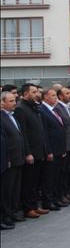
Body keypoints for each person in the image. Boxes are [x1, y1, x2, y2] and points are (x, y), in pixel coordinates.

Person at [14, 83, 50, 219]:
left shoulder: (34, 107)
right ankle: (28, 208)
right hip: (31, 153)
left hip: (39, 150)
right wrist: (28, 153)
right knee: (28, 182)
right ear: (25, 93)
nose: (37, 94)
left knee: (35, 181)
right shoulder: (21, 109)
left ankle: (34, 205)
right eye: (34, 92)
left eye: (37, 91)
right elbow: (23, 133)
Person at [39, 88, 68, 211]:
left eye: (55, 95)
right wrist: (49, 150)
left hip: (59, 148)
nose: (55, 98)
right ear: (45, 97)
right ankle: (48, 201)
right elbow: (45, 133)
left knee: (57, 176)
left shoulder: (54, 110)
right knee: (49, 178)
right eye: (52, 95)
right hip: (52, 150)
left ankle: (56, 198)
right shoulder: (42, 110)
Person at [1, 91, 26, 229]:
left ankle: (11, 213)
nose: (14, 103)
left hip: (18, 157)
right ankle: (5, 215)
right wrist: (8, 158)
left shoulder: (12, 116)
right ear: (2, 102)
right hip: (8, 160)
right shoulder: (2, 117)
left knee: (14, 188)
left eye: (14, 100)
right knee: (7, 189)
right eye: (10, 101)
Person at [55, 87, 70, 207]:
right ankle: (61, 194)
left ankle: (66, 193)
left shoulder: (67, 107)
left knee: (68, 170)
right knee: (62, 172)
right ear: (60, 96)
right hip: (64, 145)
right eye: (67, 93)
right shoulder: (58, 108)